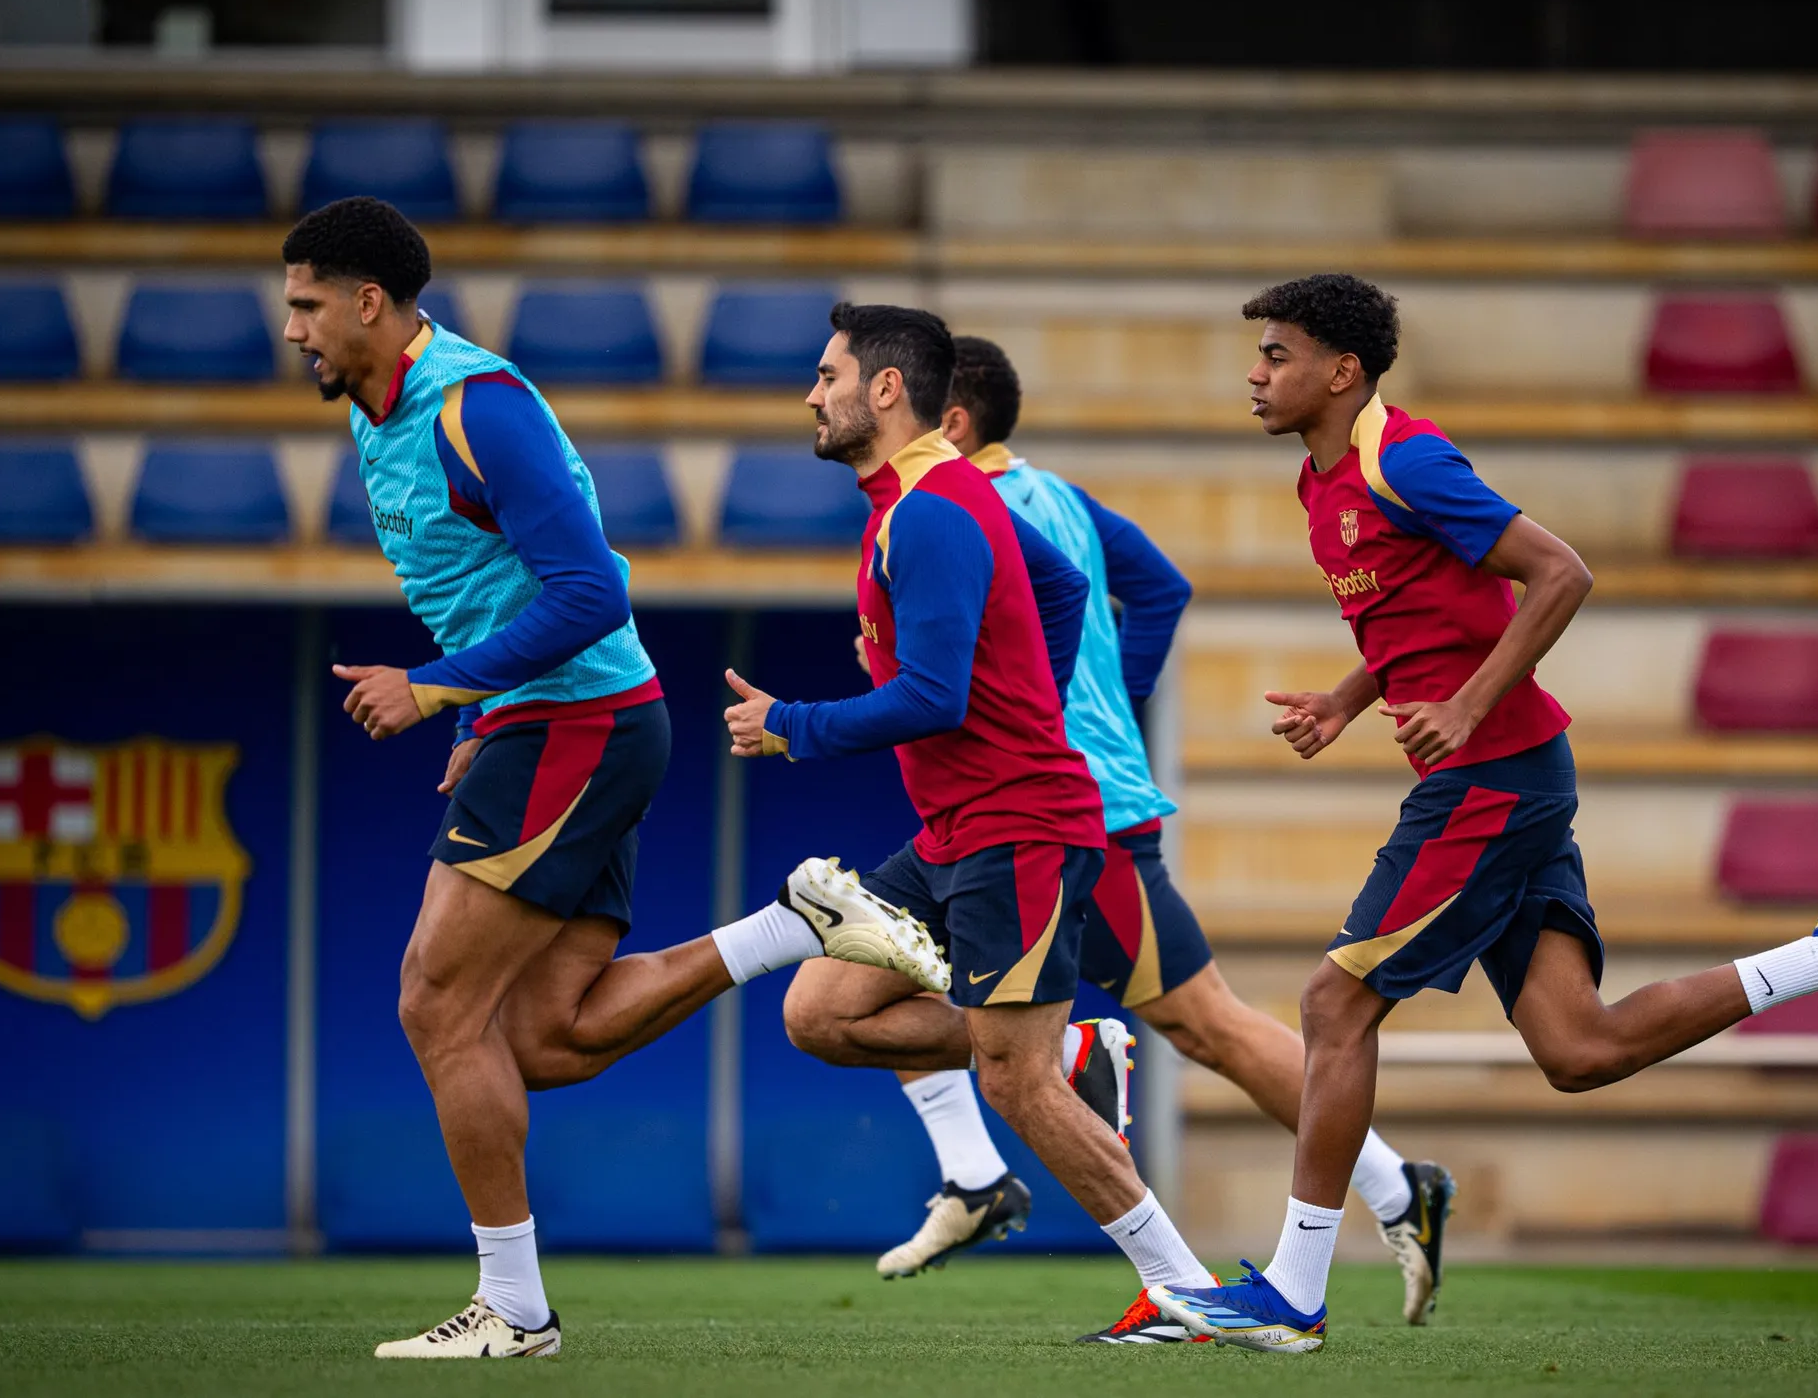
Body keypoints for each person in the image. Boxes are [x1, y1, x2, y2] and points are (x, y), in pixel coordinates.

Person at [1150, 274, 1818, 1354]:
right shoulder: (1324, 480)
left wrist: (1468, 704)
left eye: (1277, 356)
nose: (1255, 375)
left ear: (1341, 372)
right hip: (1513, 776)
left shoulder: (1407, 458)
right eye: (1258, 356)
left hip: (1493, 781)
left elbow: (1560, 574)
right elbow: (1416, 612)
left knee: (1331, 1007)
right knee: (1578, 1050)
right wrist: (1349, 701)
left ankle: (1297, 1293)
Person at [285, 198, 945, 1360]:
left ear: (368, 305)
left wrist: (441, 688)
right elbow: (502, 586)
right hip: (548, 723)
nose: (293, 330)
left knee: (436, 1005)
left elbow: (592, 592)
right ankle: (794, 924)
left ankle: (516, 1312)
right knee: (544, 1040)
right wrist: (484, 704)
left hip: (577, 725)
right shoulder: (376, 408)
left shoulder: (476, 407)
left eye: (305, 306)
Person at [790, 334, 1456, 1338]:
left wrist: (1047, 713)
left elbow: (957, 676)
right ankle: (1006, 1148)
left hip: (1065, 808)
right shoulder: (1054, 495)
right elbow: (1162, 589)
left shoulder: (954, 509)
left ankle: (1377, 1192)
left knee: (1202, 1024)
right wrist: (1109, 695)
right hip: (1053, 796)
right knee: (879, 991)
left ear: (945, 419)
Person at [723, 303, 1222, 1343]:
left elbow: (936, 699)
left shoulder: (934, 511)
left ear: (887, 389)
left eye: (827, 377)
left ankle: (1185, 1293)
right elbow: (1064, 583)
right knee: (819, 1012)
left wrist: (791, 726)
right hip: (955, 831)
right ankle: (1068, 1042)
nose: (812, 396)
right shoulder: (927, 497)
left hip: (1022, 826)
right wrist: (1024, 682)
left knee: (1012, 1081)